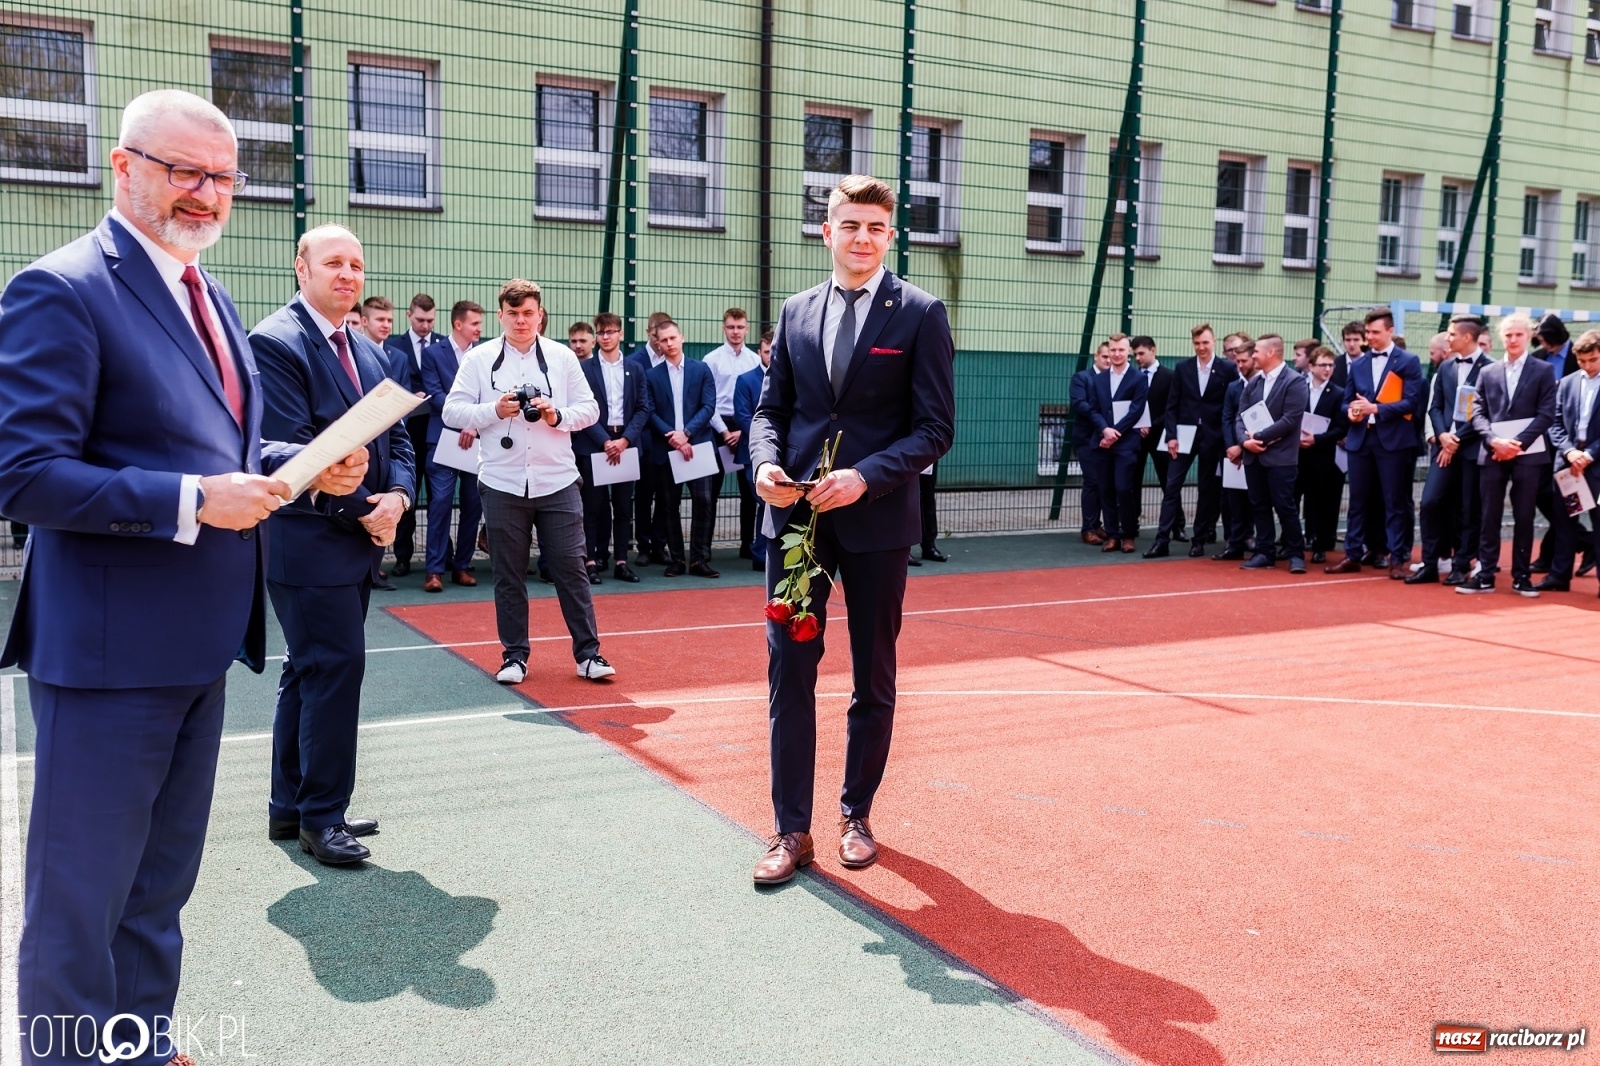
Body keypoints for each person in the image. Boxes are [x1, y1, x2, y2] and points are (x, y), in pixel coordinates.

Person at [0, 89, 369, 1063]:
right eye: (183, 171)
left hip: (197, 640)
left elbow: (220, 444)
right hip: (106, 651)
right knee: (81, 898)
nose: (206, 194)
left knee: (158, 885)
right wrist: (190, 501)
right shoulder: (61, 288)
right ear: (123, 169)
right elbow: (22, 472)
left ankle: (140, 1043)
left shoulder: (206, 291)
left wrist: (302, 460)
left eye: (223, 177)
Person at [749, 173, 955, 885]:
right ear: (826, 230)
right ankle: (790, 829)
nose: (861, 238)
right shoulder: (796, 310)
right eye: (849, 225)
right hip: (799, 524)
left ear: (888, 235)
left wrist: (867, 475)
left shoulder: (921, 314)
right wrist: (765, 465)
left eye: (874, 227)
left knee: (873, 675)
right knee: (789, 675)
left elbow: (935, 429)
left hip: (875, 524)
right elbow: (771, 411)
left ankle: (856, 815)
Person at [250, 224, 415, 866]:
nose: (347, 274)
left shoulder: (370, 351)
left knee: (309, 669)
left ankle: (289, 809)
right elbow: (286, 451)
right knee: (334, 670)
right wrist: (366, 515)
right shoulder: (276, 342)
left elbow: (399, 441)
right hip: (308, 543)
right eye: (333, 263)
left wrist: (398, 500)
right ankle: (324, 815)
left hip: (354, 540)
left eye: (356, 263)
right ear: (302, 267)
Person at [442, 279, 614, 683]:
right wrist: (495, 410)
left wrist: (557, 416)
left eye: (528, 313)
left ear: (540, 315)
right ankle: (514, 657)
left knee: (572, 569)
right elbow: (452, 411)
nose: (521, 321)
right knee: (508, 574)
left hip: (558, 481)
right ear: (500, 315)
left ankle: (589, 655)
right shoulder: (478, 359)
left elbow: (590, 409)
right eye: (513, 313)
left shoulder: (562, 357)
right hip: (501, 482)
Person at [1457, 313, 1558, 596]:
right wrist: (1494, 441)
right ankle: (1486, 574)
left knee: (1525, 515)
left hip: (1527, 454)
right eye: (1508, 335)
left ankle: (1521, 576)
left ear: (1528, 337)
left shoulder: (1543, 370)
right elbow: (1476, 412)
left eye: (1518, 335)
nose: (1513, 339)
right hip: (1492, 452)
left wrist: (1516, 444)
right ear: (1502, 338)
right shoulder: (1487, 372)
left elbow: (1547, 414)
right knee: (1489, 514)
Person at [1325, 308, 1424, 578]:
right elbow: (1346, 400)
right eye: (1367, 332)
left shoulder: (1409, 361)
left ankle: (1397, 558)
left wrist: (1375, 409)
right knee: (1357, 500)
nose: (1370, 337)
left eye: (1375, 332)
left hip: (1393, 442)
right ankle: (1353, 554)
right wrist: (1352, 411)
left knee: (1393, 502)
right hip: (1361, 440)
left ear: (1390, 331)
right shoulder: (1357, 364)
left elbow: (1412, 403)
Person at [1409, 317, 1491, 586]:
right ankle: (1430, 563)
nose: (1447, 338)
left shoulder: (1491, 369)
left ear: (1467, 338)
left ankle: (1461, 564)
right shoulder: (1445, 367)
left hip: (1471, 449)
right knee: (1431, 502)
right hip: (1445, 447)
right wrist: (1444, 436)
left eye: (1452, 334)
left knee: (1468, 508)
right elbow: (1435, 406)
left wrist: (1456, 439)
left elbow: (1487, 413)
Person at [1146, 323, 1238, 558]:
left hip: (1213, 437)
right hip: (1183, 436)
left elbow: (1231, 406)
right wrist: (1172, 436)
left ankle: (1198, 540)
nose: (1201, 347)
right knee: (1172, 487)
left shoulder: (1227, 369)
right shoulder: (1183, 367)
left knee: (1207, 490)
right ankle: (1161, 540)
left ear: (1214, 342)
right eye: (1197, 343)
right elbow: (1172, 405)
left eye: (1205, 343)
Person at [576, 311, 650, 584]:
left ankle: (621, 561)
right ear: (596, 337)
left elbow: (643, 408)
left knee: (622, 507)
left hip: (625, 445)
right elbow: (582, 408)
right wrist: (604, 441)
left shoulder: (635, 369)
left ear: (620, 334)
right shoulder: (585, 369)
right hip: (595, 445)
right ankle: (591, 561)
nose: (606, 337)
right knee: (592, 506)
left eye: (611, 332)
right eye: (601, 332)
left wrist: (625, 440)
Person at [643, 321, 720, 577]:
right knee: (668, 505)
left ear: (682, 337)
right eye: (663, 340)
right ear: (658, 343)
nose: (669, 344)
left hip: (697, 446)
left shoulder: (702, 370)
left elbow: (708, 407)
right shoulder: (651, 375)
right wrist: (674, 438)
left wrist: (686, 434)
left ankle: (700, 559)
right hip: (667, 448)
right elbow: (650, 411)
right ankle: (676, 559)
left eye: (673, 338)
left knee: (704, 502)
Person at [421, 300, 485, 592]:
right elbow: (434, 395)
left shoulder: (485, 357)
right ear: (458, 324)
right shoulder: (433, 354)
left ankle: (462, 566)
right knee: (440, 503)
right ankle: (434, 571)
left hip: (478, 441)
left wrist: (474, 425)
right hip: (445, 439)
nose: (479, 329)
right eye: (475, 324)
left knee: (473, 504)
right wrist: (465, 423)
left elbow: (490, 398)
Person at [383, 293, 445, 578]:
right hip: (406, 429)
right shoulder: (394, 347)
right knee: (405, 490)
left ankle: (443, 555)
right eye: (420, 320)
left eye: (430, 320)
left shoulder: (442, 344)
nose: (426, 326)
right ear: (409, 315)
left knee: (438, 496)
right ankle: (403, 556)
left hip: (435, 427)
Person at [1236, 335, 1307, 572]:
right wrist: (1245, 443)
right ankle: (1264, 552)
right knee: (1259, 505)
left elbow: (1291, 419)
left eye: (1256, 351)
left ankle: (1295, 554)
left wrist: (1259, 437)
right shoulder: (1253, 384)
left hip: (1281, 458)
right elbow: (1240, 416)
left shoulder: (1294, 382)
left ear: (1270, 353)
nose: (1252, 355)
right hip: (1253, 455)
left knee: (1285, 505)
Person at [704, 307, 763, 560]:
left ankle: (747, 546)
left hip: (746, 429)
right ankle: (704, 548)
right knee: (710, 492)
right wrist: (725, 431)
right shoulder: (712, 359)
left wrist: (740, 431)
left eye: (740, 327)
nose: (736, 332)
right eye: (731, 327)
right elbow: (708, 400)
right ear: (723, 328)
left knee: (750, 492)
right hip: (717, 428)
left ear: (747, 328)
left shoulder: (754, 360)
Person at [1546, 328, 1600, 596]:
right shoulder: (1566, 383)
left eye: (1593, 360)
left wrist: (1589, 454)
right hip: (1571, 467)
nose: (1587, 366)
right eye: (1582, 361)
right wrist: (1570, 452)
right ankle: (1559, 576)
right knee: (1566, 522)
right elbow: (1555, 423)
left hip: (1596, 466)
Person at [1087, 333, 1148, 553]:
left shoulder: (1138, 378)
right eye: (1112, 350)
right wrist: (1104, 430)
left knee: (1124, 488)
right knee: (1106, 489)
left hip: (1125, 443)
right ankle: (1112, 535)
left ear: (1128, 351)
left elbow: (1136, 410)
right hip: (1102, 442)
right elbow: (1092, 409)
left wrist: (1115, 433)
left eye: (1121, 350)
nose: (1116, 354)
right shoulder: (1098, 378)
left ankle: (1128, 534)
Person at [630, 312, 675, 565]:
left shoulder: (674, 361)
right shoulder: (636, 361)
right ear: (649, 333)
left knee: (666, 496)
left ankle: (660, 544)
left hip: (668, 440)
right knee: (644, 495)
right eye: (658, 337)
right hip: (646, 439)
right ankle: (643, 546)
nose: (662, 343)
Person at [1298, 345, 1348, 563]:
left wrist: (1317, 439)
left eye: (1330, 365)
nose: (1327, 369)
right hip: (1297, 454)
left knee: (1320, 501)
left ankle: (1319, 545)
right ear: (1311, 367)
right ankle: (1293, 543)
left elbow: (1341, 428)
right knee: (1292, 497)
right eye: (1323, 365)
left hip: (1323, 455)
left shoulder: (1339, 393)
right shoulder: (1299, 388)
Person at [1132, 335, 1183, 543]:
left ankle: (1177, 526)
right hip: (1136, 436)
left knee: (1168, 481)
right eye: (1134, 354)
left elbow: (1173, 407)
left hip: (1161, 435)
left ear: (1153, 350)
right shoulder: (1133, 376)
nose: (1137, 358)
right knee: (1133, 480)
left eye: (1141, 353)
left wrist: (1152, 425)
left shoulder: (1170, 376)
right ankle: (1131, 523)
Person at [732, 329, 775, 571]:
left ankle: (765, 553)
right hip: (753, 455)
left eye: (775, 351)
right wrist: (768, 438)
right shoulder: (746, 380)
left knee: (772, 503)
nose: (772, 356)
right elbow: (742, 417)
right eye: (768, 351)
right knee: (764, 500)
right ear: (759, 353)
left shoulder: (791, 377)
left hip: (784, 453)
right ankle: (760, 553)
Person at [1216, 333, 1257, 560]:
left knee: (1255, 498)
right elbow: (1227, 417)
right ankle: (1234, 542)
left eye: (1243, 361)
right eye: (1237, 361)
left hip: (1255, 449)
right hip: (1233, 452)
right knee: (1233, 499)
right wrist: (1232, 446)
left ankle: (1253, 539)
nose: (1239, 365)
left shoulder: (1262, 384)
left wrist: (1243, 446)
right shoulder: (1233, 387)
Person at [1070, 342, 1111, 544]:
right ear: (1096, 356)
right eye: (1105, 356)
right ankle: (1088, 528)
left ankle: (1096, 524)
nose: (1108, 360)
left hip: (1106, 438)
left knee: (1103, 482)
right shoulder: (1081, 378)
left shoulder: (1112, 379)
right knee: (1092, 481)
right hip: (1086, 438)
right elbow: (1080, 404)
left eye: (1110, 357)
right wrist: (1102, 421)